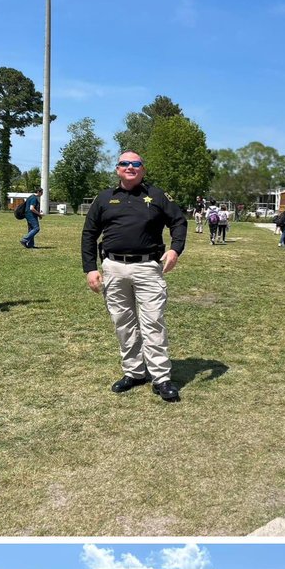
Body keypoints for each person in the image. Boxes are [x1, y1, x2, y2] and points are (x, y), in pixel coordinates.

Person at [81, 151, 187, 402]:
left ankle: (161, 377)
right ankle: (135, 372)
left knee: (153, 322)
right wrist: (90, 268)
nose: (130, 167)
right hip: (113, 268)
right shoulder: (104, 198)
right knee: (123, 323)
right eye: (125, 163)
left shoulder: (158, 195)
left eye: (136, 163)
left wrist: (175, 249)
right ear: (117, 169)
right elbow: (89, 233)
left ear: (143, 169)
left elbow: (179, 222)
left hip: (148, 268)